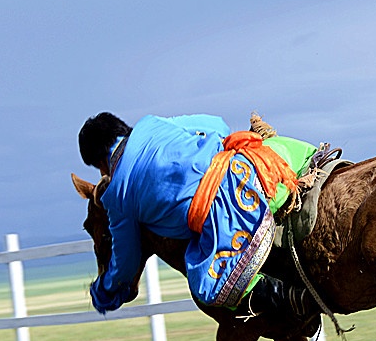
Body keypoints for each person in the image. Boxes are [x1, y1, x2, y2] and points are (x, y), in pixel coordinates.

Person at [78, 112, 320, 322]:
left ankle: (293, 302)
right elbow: (217, 125)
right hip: (255, 165)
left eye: (99, 168)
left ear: (100, 161)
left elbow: (125, 262)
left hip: (228, 209)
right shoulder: (152, 124)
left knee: (207, 285)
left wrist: (104, 290)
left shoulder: (117, 196)